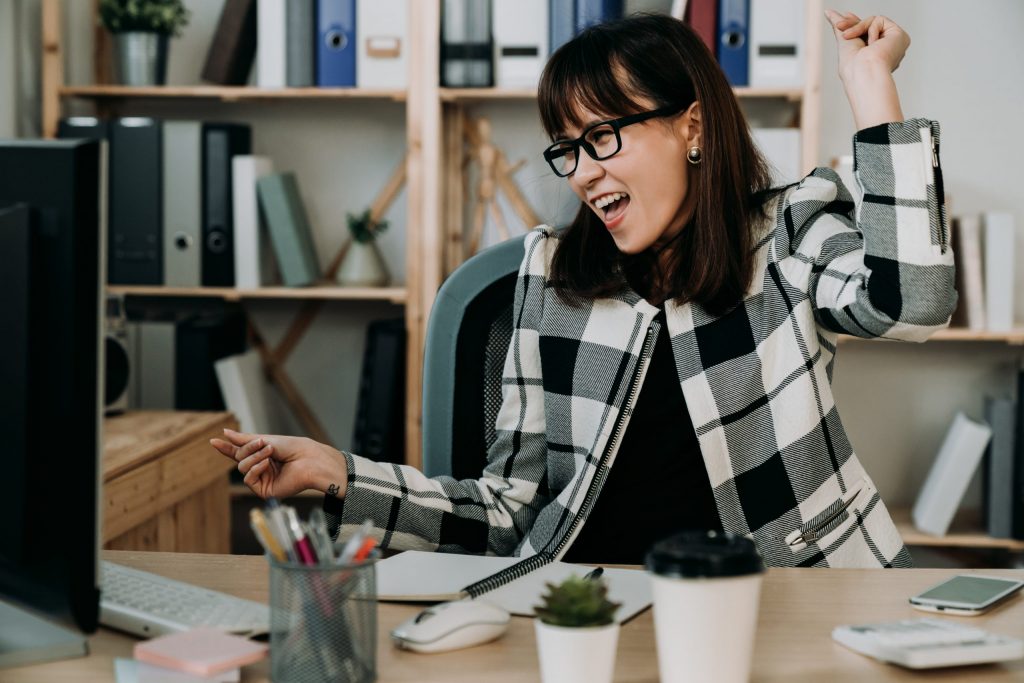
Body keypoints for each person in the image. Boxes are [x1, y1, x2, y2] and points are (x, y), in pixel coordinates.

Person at [212, 10, 955, 567]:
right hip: (589, 609)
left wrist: (870, 87)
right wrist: (341, 474)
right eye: (569, 148)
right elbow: (508, 510)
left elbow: (913, 303)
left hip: (789, 596)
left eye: (604, 137)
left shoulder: (788, 229)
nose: (584, 171)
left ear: (691, 126)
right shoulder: (549, 275)